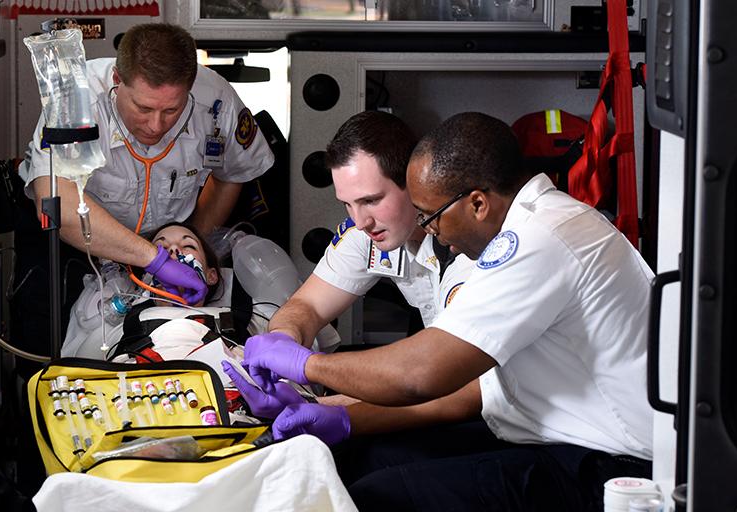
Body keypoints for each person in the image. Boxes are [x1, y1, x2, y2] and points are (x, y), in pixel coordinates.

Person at [235, 112, 655, 510]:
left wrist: (311, 371)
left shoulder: (533, 239)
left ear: (472, 202)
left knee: (379, 498)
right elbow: (308, 307)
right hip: (537, 426)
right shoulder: (521, 223)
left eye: (428, 213)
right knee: (357, 461)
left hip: (612, 460)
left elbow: (427, 378)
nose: (429, 227)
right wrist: (297, 368)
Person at [20, 23, 275, 304]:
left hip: (164, 242)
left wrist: (188, 246)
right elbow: (58, 203)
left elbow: (234, 173)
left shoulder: (216, 100)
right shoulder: (76, 100)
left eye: (171, 110)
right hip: (75, 245)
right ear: (117, 79)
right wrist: (155, 260)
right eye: (143, 108)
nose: (156, 125)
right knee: (48, 326)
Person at [263, 110, 474, 349]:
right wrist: (282, 340)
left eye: (370, 201)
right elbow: (307, 305)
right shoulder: (369, 232)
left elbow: (468, 379)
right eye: (347, 204)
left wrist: (309, 367)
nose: (361, 221)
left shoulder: (470, 245)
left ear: (413, 180)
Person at [61, 221, 271, 360]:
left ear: (211, 275)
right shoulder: (126, 327)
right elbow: (82, 365)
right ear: (147, 277)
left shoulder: (244, 321)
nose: (173, 250)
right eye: (160, 249)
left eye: (188, 246)